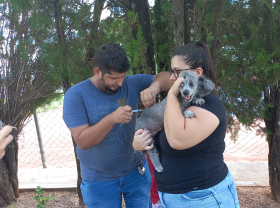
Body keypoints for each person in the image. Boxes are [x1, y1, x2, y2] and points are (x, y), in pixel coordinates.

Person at [62, 43, 173, 208]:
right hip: (98, 180)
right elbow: (83, 141)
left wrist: (154, 86)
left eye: (123, 77)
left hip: (136, 172)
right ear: (97, 72)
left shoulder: (131, 83)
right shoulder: (76, 95)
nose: (120, 83)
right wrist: (111, 119)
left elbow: (168, 78)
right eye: (113, 78)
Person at [133, 41, 240, 208]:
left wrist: (173, 93)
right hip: (171, 198)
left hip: (205, 198)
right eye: (172, 72)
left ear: (197, 73)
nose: (172, 77)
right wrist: (139, 143)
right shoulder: (179, 103)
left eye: (177, 72)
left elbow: (177, 139)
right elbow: (161, 141)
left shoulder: (210, 105)